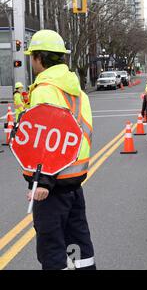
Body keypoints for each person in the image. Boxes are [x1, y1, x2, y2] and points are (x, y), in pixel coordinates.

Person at [22, 29, 95, 270]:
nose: (31, 61)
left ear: (39, 58)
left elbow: (47, 138)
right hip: (73, 181)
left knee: (52, 249)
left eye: (32, 56)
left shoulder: (45, 88)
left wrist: (42, 181)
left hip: (52, 184)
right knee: (78, 246)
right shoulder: (75, 89)